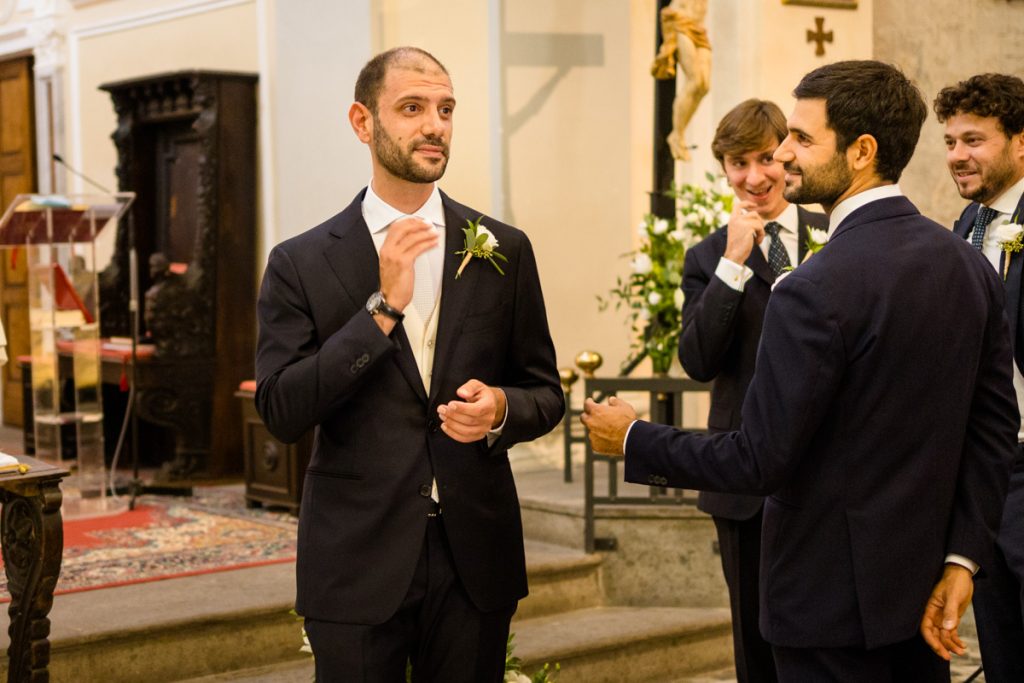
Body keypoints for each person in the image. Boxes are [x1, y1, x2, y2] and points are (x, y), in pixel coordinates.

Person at [582, 60, 1018, 681]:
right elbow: (993, 430)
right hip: (921, 591)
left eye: (802, 139)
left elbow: (760, 460)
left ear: (862, 150)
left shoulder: (815, 286)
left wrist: (632, 437)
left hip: (825, 605)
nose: (785, 154)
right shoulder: (968, 265)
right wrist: (962, 558)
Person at [255, 46, 563, 682]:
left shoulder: (503, 247)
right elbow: (282, 410)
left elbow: (544, 391)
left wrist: (502, 409)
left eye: (445, 109)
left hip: (473, 552)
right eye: (413, 108)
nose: (435, 125)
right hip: (357, 555)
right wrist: (379, 314)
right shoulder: (301, 262)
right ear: (362, 123)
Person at [679, 98, 827, 683]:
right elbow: (697, 361)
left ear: (787, 154)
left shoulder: (831, 232)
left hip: (825, 469)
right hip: (741, 481)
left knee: (823, 630)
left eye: (766, 158)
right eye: (738, 163)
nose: (754, 176)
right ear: (724, 169)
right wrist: (734, 265)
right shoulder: (708, 256)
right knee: (755, 637)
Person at [935, 72, 1024, 683]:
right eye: (949, 142)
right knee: (1001, 641)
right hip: (985, 469)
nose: (958, 156)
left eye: (974, 140)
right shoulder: (963, 228)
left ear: (1020, 143)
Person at [650, 0, 711, 161]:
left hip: (698, 26)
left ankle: (679, 132)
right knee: (695, 80)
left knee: (704, 85)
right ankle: (677, 134)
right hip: (680, 20)